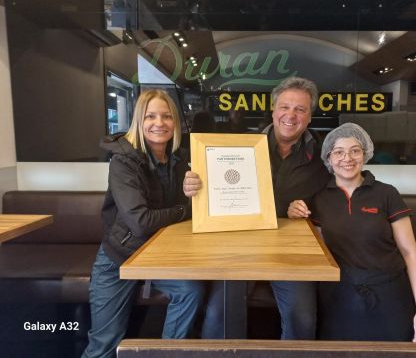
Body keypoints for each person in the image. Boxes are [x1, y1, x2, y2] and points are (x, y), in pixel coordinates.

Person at [183, 77, 331, 339]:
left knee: (302, 318)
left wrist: (307, 210)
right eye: (285, 107)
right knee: (219, 314)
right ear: (273, 110)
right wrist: (194, 185)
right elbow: (214, 189)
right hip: (241, 245)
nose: (291, 115)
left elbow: (332, 202)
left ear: (309, 117)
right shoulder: (241, 147)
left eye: (300, 109)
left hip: (291, 250)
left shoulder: (323, 158)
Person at [287, 123, 416, 346]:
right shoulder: (318, 199)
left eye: (355, 150)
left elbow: (410, 252)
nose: (347, 158)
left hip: (389, 291)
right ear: (328, 158)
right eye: (338, 152)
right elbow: (314, 248)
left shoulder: (387, 194)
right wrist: (293, 213)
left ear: (365, 154)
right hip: (339, 296)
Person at [82, 90, 205, 358]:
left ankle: (166, 353)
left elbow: (199, 203)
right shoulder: (123, 160)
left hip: (161, 256)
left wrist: (196, 190)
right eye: (150, 116)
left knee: (191, 292)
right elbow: (140, 222)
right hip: (120, 259)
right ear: (139, 120)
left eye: (166, 116)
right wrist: (185, 210)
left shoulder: (181, 159)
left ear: (175, 123)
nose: (159, 123)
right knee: (105, 344)